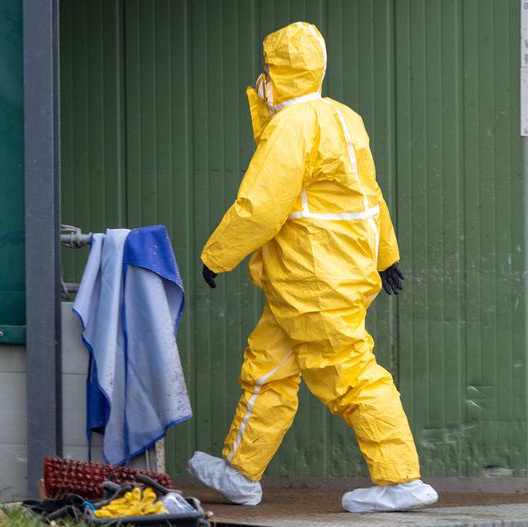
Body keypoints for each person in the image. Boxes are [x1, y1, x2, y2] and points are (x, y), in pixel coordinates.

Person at [187, 22, 438, 513]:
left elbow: (261, 206)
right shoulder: (344, 118)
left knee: (349, 372)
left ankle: (401, 479)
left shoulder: (292, 126)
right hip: (319, 276)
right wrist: (387, 255)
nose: (261, 79)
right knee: (267, 371)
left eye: (266, 70)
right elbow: (369, 196)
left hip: (313, 281)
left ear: (277, 72)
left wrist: (217, 254)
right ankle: (240, 472)